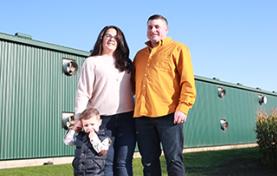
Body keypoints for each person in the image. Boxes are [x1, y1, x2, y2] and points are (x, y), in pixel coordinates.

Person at [133, 14, 197, 176]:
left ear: (166, 30)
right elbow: (132, 85)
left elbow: (187, 81)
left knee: (174, 159)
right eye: (149, 27)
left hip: (169, 115)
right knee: (148, 162)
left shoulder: (179, 48)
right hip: (142, 117)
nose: (153, 30)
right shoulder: (139, 56)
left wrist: (183, 107)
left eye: (157, 27)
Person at [74, 25, 136, 176]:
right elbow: (83, 92)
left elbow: (135, 89)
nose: (111, 39)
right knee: (105, 162)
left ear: (120, 41)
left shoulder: (127, 64)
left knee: (123, 162)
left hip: (127, 119)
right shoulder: (91, 62)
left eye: (116, 37)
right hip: (102, 121)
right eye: (108, 35)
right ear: (101, 39)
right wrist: (79, 118)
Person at [64, 108, 112, 176]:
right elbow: (67, 141)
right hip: (79, 172)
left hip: (95, 172)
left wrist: (93, 138)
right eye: (86, 125)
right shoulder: (80, 137)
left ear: (99, 122)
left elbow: (102, 151)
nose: (89, 127)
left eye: (92, 124)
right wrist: (74, 128)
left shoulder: (104, 138)